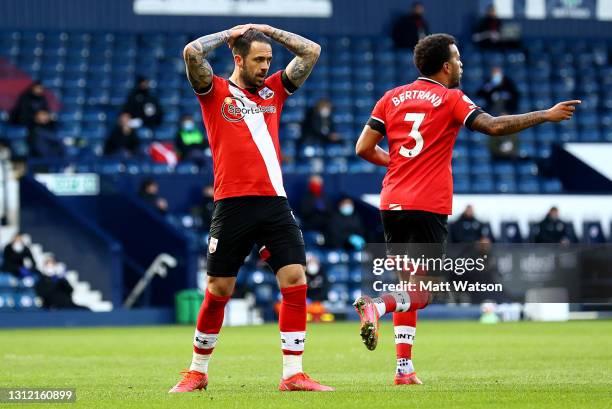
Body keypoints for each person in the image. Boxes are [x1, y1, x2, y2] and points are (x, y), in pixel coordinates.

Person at [352, 33, 580, 385]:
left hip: (391, 202)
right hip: (427, 205)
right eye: (458, 59)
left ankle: (403, 369)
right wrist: (545, 115)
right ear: (445, 66)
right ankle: (378, 305)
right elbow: (492, 126)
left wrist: (398, 166)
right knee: (424, 292)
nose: (461, 64)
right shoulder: (450, 98)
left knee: (407, 288)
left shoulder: (391, 97)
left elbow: (363, 148)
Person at [169, 25, 332, 393]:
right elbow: (192, 53)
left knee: (295, 279)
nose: (265, 66)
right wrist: (231, 32)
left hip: (275, 203)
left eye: (269, 60)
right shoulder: (215, 92)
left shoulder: (274, 91)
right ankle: (197, 371)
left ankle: (293, 374)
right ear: (238, 59)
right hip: (232, 205)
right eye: (258, 60)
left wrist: (270, 33)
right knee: (219, 288)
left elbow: (311, 52)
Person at [478, 67, 520, 158]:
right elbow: (479, 95)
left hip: (508, 114)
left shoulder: (509, 84)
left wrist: (508, 112)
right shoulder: (487, 84)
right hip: (492, 115)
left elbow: (515, 98)